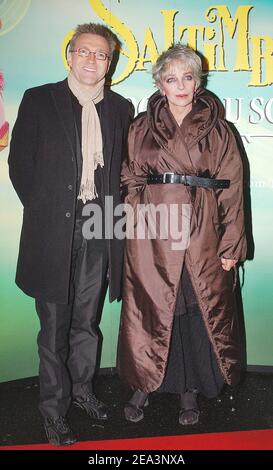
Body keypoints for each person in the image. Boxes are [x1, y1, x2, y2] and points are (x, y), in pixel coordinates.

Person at [8, 23, 132, 445]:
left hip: (101, 226)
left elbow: (119, 175)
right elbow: (20, 166)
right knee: (54, 327)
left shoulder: (121, 108)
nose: (91, 60)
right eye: (84, 51)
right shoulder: (40, 99)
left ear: (110, 63)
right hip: (53, 231)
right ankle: (52, 410)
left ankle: (82, 391)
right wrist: (49, 213)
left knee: (87, 321)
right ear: (70, 56)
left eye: (101, 55)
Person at [117, 44, 247, 426]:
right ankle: (143, 382)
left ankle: (188, 390)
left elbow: (233, 189)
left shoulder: (221, 130)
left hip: (202, 233)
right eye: (171, 78)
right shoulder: (140, 126)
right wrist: (138, 225)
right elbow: (129, 179)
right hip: (154, 236)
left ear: (198, 81)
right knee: (154, 310)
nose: (180, 85)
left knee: (193, 311)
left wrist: (231, 245)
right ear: (159, 83)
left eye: (188, 77)